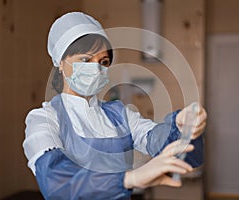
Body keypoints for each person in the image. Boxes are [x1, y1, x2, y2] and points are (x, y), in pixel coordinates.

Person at [22, 12, 207, 200]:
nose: (96, 68)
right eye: (86, 60)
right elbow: (56, 183)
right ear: (61, 63)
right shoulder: (44, 119)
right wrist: (129, 178)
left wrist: (182, 128)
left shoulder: (121, 115)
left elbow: (163, 144)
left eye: (103, 62)